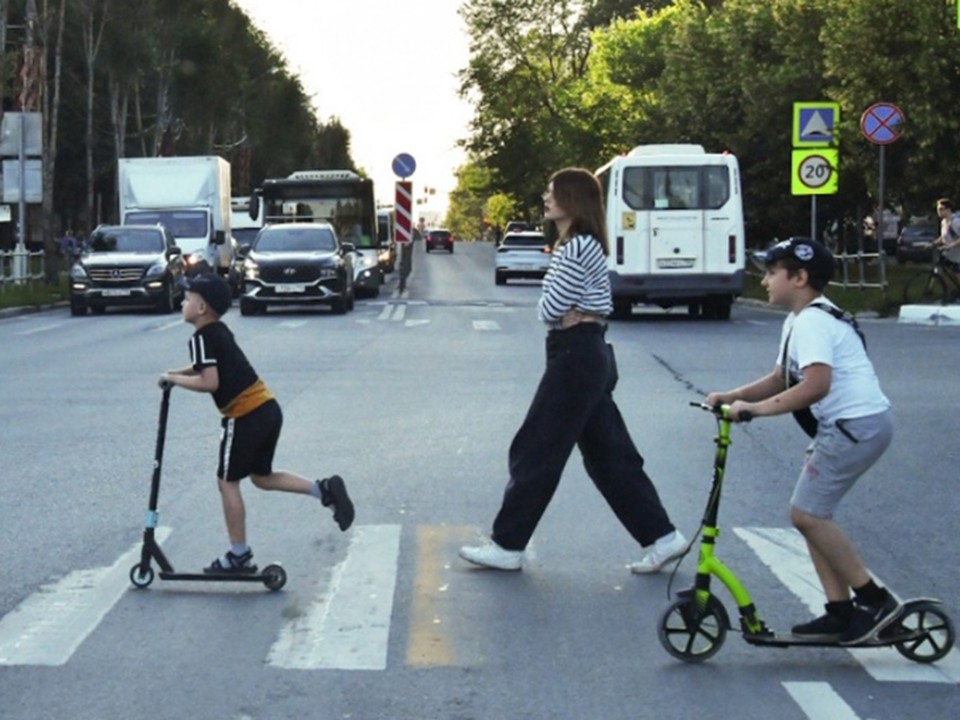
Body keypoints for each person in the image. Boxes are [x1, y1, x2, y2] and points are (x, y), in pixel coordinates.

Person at [459, 167, 686, 573]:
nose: (545, 197)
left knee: (537, 447)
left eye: (552, 192)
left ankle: (507, 545)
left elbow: (549, 308)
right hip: (585, 351)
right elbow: (562, 305)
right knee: (609, 455)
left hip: (575, 355)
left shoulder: (577, 247)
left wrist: (560, 306)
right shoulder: (583, 245)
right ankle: (663, 537)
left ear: (572, 199)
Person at [704, 237, 898, 645]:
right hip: (850, 426)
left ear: (800, 277)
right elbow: (780, 378)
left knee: (807, 515)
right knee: (812, 513)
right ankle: (841, 612)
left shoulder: (812, 322)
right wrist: (731, 396)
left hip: (855, 426)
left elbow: (816, 386)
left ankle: (875, 601)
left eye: (773, 273)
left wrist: (755, 411)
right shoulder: (799, 319)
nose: (766, 280)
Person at [159, 272, 355, 574]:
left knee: (227, 482)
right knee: (261, 477)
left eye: (187, 299)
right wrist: (176, 373)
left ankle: (239, 554)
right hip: (267, 408)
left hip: (245, 414)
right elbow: (206, 365)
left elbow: (210, 381)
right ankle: (323, 490)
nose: (182, 303)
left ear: (201, 309)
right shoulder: (219, 331)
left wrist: (174, 379)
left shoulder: (199, 337)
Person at [933, 198, 960, 266]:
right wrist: (933, 243)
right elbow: (945, 236)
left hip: (958, 258)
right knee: (941, 271)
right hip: (950, 256)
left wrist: (949, 246)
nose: (939, 211)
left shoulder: (955, 222)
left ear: (948, 209)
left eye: (941, 209)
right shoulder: (944, 222)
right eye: (938, 209)